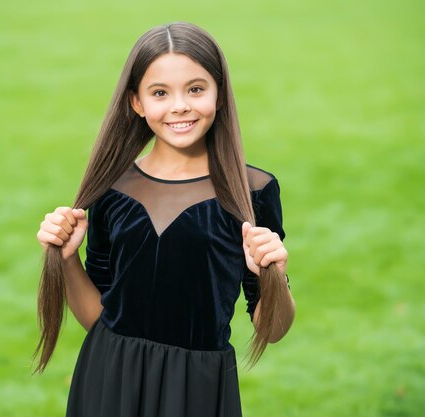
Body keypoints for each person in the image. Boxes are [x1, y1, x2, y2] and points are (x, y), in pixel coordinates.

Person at [34, 21, 295, 417]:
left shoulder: (252, 192)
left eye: (195, 89)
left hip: (198, 389)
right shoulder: (112, 189)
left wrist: (273, 271)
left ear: (220, 94)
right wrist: (67, 259)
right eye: (160, 93)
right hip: (109, 381)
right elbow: (102, 320)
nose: (179, 106)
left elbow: (271, 331)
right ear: (136, 102)